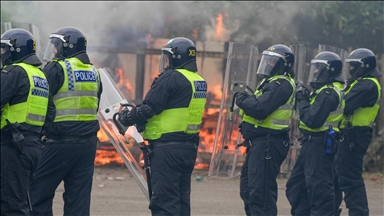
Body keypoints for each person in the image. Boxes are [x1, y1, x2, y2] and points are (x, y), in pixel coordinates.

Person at [117, 37, 207, 216]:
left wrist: (126, 118)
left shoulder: (171, 77)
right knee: (181, 200)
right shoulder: (197, 80)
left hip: (167, 149)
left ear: (176, 57)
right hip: (188, 147)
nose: (165, 62)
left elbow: (150, 107)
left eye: (167, 57)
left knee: (164, 202)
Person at [30, 26, 103, 216]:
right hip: (87, 144)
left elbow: (41, 101)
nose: (54, 50)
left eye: (57, 46)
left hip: (59, 142)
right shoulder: (94, 72)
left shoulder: (57, 68)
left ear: (67, 47)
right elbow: (95, 105)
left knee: (37, 193)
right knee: (78, 199)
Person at [235, 44, 296, 216]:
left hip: (269, 144)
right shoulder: (269, 82)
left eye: (272, 61)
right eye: (266, 61)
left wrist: (241, 99)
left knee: (261, 195)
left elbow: (260, 108)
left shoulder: (281, 84)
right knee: (248, 190)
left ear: (284, 64)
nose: (267, 65)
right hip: (259, 144)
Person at [285, 51, 345, 216]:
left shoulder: (329, 92)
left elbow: (312, 120)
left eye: (318, 68)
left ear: (329, 70)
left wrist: (302, 99)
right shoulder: (323, 90)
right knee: (296, 186)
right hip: (311, 144)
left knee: (319, 191)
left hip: (320, 144)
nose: (315, 72)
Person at [1, 28, 49, 215]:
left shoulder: (13, 73)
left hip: (12, 147)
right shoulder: (39, 75)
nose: (3, 54)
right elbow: (50, 114)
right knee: (22, 200)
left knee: (10, 204)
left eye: (5, 49)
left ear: (16, 50)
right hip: (32, 147)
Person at [334, 48, 382, 216]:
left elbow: (345, 105)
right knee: (339, 175)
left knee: (350, 178)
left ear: (364, 66)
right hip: (348, 135)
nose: (351, 69)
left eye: (354, 66)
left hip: (356, 135)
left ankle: (359, 213)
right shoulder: (358, 83)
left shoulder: (367, 84)